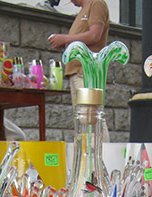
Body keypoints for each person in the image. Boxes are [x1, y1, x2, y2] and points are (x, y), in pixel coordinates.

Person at [47, 0, 110, 142]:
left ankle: (102, 153)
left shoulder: (96, 3)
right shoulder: (85, 9)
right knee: (82, 120)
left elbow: (94, 35)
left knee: (92, 117)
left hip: (86, 71)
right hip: (77, 71)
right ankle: (86, 152)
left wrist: (65, 39)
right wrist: (67, 43)